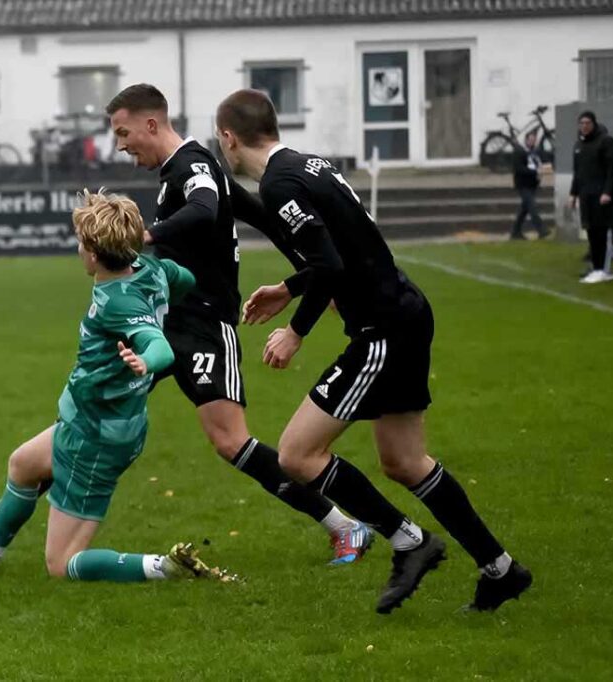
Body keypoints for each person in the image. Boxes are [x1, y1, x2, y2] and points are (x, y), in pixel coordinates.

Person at [0, 86, 374, 566]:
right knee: (90, 413)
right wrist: (308, 278)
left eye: (123, 132)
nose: (121, 144)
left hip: (203, 324)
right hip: (163, 323)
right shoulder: (184, 171)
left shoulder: (193, 167)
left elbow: (205, 210)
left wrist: (148, 235)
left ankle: (345, 525)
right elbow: (266, 219)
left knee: (230, 440)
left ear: (151, 124)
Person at [216, 88, 531, 613]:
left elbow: (331, 265)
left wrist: (296, 328)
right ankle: (501, 570)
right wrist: (288, 287)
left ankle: (409, 541)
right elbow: (334, 249)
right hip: (405, 311)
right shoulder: (305, 165)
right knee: (405, 462)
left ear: (229, 137)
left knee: (296, 454)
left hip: (383, 328)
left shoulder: (281, 182)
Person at [0, 190, 233, 583]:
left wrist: (145, 359)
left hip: (97, 437)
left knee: (62, 563)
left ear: (93, 253)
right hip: (90, 420)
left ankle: (164, 567)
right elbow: (185, 278)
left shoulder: (117, 301)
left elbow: (159, 348)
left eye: (81, 243)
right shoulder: (150, 268)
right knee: (23, 464)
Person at [568, 111, 613, 284]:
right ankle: (596, 267)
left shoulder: (606, 142)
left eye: (587, 123)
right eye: (581, 123)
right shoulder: (578, 145)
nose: (584, 126)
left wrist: (607, 192)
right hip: (586, 196)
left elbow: (612, 170)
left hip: (601, 196)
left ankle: (603, 269)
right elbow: (577, 173)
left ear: (594, 123)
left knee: (602, 232)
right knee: (591, 232)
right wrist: (573, 194)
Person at [510, 131, 548, 240]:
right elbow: (519, 168)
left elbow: (543, 162)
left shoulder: (536, 152)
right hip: (523, 184)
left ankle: (515, 232)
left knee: (524, 209)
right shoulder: (519, 151)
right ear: (526, 140)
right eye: (530, 139)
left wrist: (545, 169)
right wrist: (535, 171)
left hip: (533, 184)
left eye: (534, 140)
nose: (533, 142)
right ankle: (541, 230)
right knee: (532, 206)